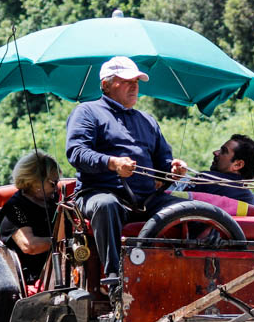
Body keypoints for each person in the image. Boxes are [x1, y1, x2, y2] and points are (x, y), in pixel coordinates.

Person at [66, 56, 188, 286]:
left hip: (146, 199)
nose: (134, 86)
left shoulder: (147, 120)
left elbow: (163, 165)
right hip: (98, 193)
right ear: (106, 85)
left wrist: (173, 171)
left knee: (189, 209)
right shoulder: (87, 112)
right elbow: (76, 153)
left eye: (137, 81)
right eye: (126, 81)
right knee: (106, 205)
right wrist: (112, 163)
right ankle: (114, 280)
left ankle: (187, 272)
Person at [0, 150, 60, 286]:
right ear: (35, 182)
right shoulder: (15, 208)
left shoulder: (56, 200)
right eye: (53, 183)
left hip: (60, 269)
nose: (56, 188)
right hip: (32, 275)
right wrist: (63, 244)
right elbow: (30, 245)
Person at [178, 135, 254, 207]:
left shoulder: (206, 179)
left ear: (237, 165)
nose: (215, 152)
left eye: (223, 151)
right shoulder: (249, 199)